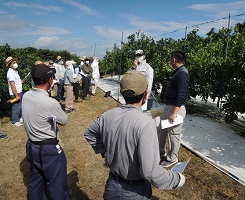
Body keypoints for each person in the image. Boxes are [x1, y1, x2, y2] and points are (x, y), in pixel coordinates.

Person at [84, 70, 185, 199]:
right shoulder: (146, 123)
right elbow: (151, 172)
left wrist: (104, 151)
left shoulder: (107, 116)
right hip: (135, 192)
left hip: (112, 185)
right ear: (145, 94)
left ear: (122, 93)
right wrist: (177, 179)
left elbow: (89, 133)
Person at [22, 64, 69, 200]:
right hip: (48, 149)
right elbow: (64, 120)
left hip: (31, 146)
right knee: (57, 186)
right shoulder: (50, 103)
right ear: (49, 80)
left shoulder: (26, 96)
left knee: (35, 182)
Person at [157, 50, 190, 168]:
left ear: (174, 59)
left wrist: (174, 113)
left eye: (171, 58)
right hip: (169, 106)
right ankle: (160, 151)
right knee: (161, 129)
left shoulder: (183, 74)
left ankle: (172, 158)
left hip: (176, 109)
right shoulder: (177, 72)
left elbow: (181, 94)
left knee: (173, 134)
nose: (170, 61)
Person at [6, 56, 24, 127]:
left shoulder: (15, 72)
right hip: (15, 92)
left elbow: (16, 82)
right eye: (14, 63)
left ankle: (19, 118)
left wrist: (21, 82)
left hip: (19, 91)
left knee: (19, 106)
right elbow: (12, 85)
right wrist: (16, 95)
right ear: (10, 65)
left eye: (15, 62)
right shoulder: (10, 73)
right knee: (16, 106)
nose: (15, 63)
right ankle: (15, 121)